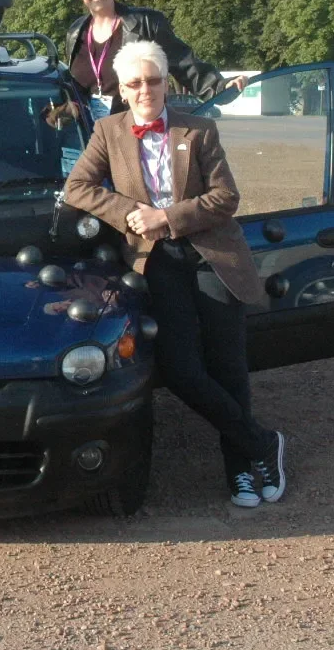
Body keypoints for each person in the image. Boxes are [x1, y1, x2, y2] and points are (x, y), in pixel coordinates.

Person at [63, 40, 287, 509]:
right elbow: (77, 187)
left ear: (167, 83)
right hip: (158, 261)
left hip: (213, 254)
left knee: (228, 368)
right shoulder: (108, 131)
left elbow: (226, 198)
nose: (145, 89)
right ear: (121, 89)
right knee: (183, 369)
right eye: (135, 83)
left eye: (153, 80)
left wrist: (167, 217)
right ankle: (261, 442)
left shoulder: (200, 129)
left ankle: (242, 471)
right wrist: (130, 212)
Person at [63, 0, 244, 121]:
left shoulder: (146, 23)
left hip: (137, 131)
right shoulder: (75, 33)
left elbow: (184, 63)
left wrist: (220, 87)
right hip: (92, 137)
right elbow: (74, 89)